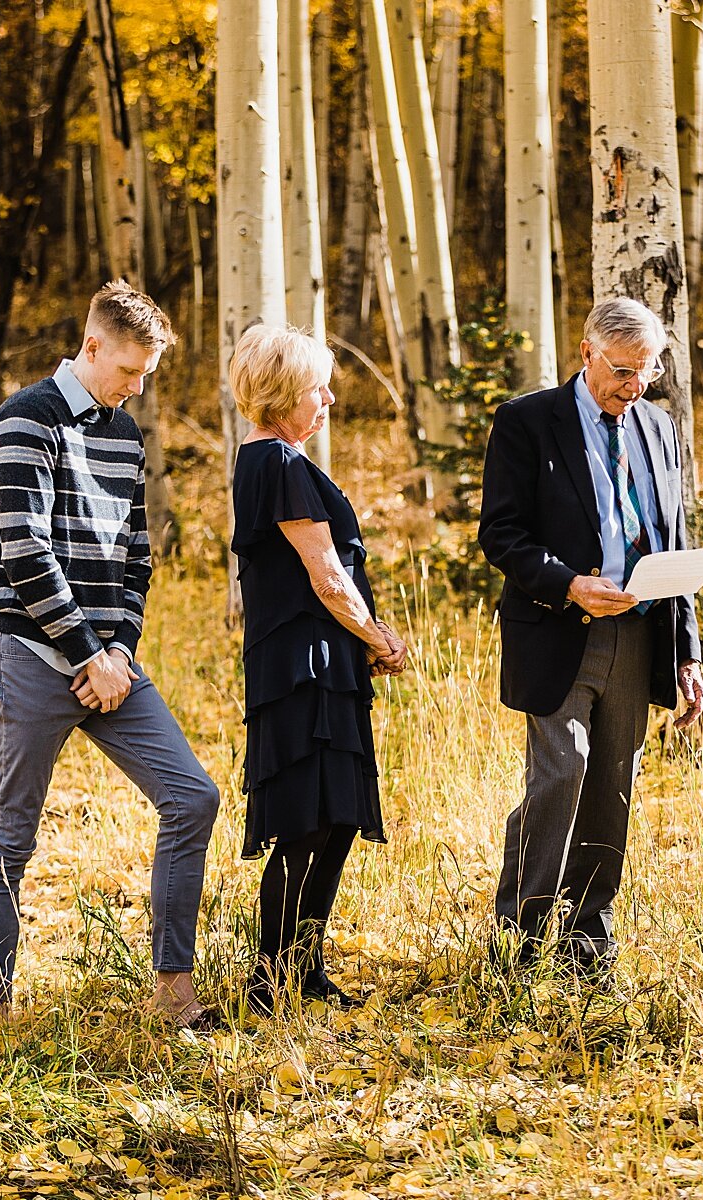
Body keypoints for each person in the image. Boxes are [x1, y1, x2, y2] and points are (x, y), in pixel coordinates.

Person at [0, 281, 221, 1029]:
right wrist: (87, 651)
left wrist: (118, 650)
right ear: (91, 347)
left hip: (108, 666)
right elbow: (25, 552)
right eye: (130, 369)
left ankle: (173, 993)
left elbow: (137, 555)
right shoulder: (25, 419)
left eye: (148, 374)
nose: (138, 386)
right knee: (12, 835)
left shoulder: (122, 432)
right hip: (28, 654)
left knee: (192, 797)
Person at [478, 297, 703, 974]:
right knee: (563, 772)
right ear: (585, 354)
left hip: (640, 635)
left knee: (612, 783)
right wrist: (570, 583)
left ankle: (588, 941)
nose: (634, 385)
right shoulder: (526, 422)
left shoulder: (660, 428)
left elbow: (675, 542)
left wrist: (688, 652)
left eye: (646, 371)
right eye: (621, 370)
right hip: (558, 627)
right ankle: (518, 940)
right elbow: (501, 534)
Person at [228, 324, 409, 1015]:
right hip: (301, 663)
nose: (329, 397)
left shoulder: (275, 460)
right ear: (280, 393)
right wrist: (380, 636)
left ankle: (305, 970)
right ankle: (271, 980)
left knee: (332, 819)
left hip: (320, 659)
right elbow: (328, 578)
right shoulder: (278, 465)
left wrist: (360, 642)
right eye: (316, 387)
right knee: (307, 821)